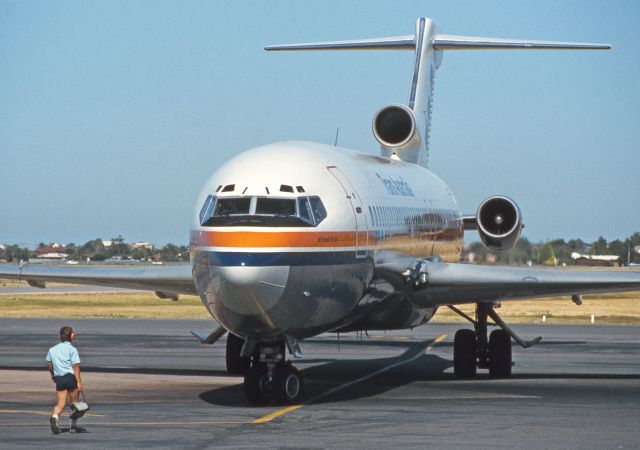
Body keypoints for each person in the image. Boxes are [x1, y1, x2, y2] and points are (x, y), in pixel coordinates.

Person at [46, 326, 84, 434]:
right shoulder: (72, 349)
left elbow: (49, 364)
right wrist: (79, 382)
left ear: (59, 336)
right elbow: (75, 367)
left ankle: (54, 417)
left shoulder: (52, 349)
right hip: (70, 378)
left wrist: (53, 375)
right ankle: (72, 426)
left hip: (60, 379)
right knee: (75, 403)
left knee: (60, 404)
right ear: (72, 336)